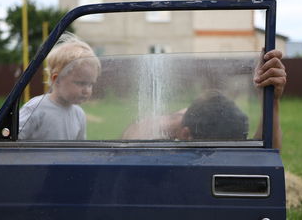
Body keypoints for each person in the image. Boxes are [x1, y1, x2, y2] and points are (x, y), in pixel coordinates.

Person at [122, 49, 287, 149]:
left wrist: (270, 99)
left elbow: (263, 152)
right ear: (186, 135)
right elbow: (129, 143)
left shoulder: (222, 122)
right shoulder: (152, 129)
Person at [19, 33, 101, 140]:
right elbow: (13, 142)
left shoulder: (78, 114)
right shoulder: (35, 108)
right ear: (56, 80)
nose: (87, 90)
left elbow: (81, 149)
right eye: (81, 83)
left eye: (90, 84)